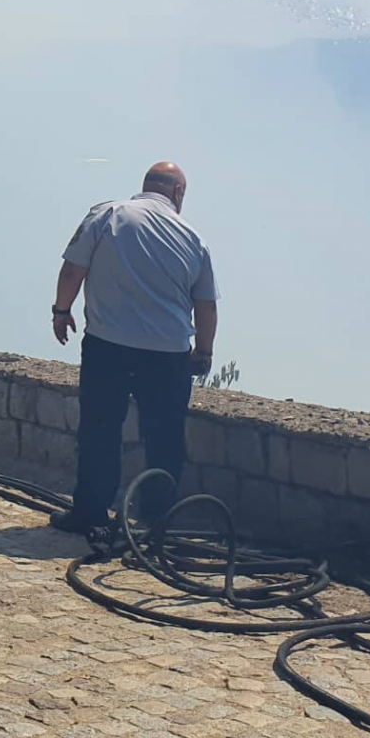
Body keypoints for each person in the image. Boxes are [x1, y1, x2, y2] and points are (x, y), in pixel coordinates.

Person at [48, 161, 219, 538]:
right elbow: (205, 305)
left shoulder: (107, 213)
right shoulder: (194, 239)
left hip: (109, 344)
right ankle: (156, 521)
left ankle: (91, 512)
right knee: (165, 438)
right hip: (168, 353)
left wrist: (62, 311)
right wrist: (203, 353)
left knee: (100, 429)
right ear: (177, 194)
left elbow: (73, 270)